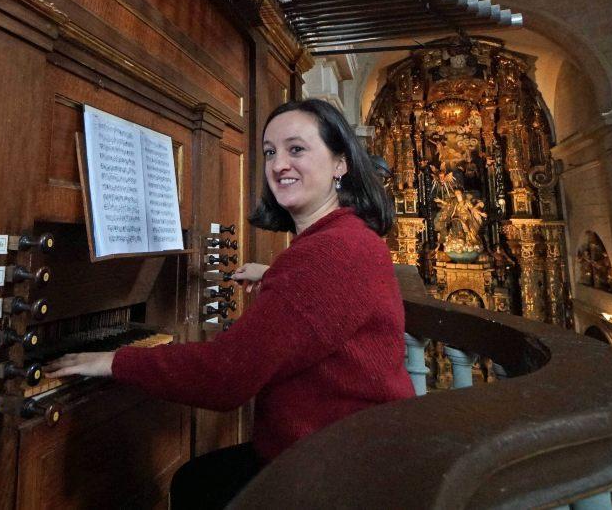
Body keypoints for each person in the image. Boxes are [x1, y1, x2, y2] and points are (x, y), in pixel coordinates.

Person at [44, 99, 415, 509]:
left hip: (340, 470)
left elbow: (226, 376)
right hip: (348, 444)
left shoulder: (329, 253)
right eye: (271, 152)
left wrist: (114, 361)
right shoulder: (345, 238)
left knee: (195, 485)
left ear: (339, 163)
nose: (278, 165)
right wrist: (275, 276)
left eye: (297, 149)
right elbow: (320, 303)